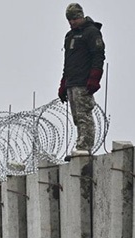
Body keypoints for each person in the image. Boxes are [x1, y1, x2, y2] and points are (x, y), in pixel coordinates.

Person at [57, 3, 105, 159]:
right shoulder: (69, 36)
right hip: (72, 81)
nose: (72, 22)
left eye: (74, 18)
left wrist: (94, 78)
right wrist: (64, 83)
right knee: (77, 117)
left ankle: (85, 147)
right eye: (69, 20)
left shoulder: (91, 33)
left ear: (81, 16)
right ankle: (80, 144)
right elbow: (68, 62)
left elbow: (98, 56)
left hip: (83, 82)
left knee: (84, 115)